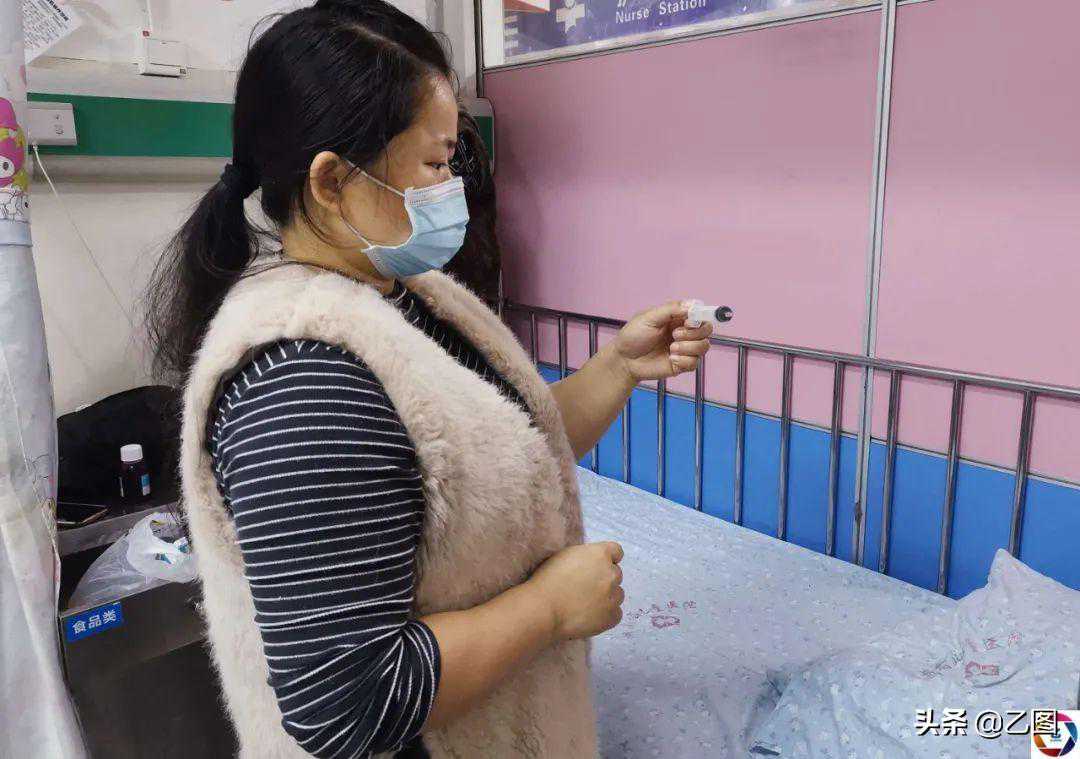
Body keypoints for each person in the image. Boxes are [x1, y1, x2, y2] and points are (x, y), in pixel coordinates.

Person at [144, 2, 712, 758]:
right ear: (332, 181)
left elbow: (506, 458)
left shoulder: (401, 294)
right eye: (437, 164)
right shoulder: (303, 384)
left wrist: (619, 367)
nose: (454, 188)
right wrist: (549, 610)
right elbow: (345, 706)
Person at [444, 109, 500, 307]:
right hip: (468, 257)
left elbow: (472, 186)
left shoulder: (458, 132)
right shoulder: (454, 129)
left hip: (469, 257)